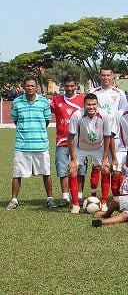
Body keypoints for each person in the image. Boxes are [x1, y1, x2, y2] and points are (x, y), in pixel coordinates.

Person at [7, 76, 57, 210]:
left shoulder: (44, 102)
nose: (30, 88)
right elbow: (16, 121)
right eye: (27, 86)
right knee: (17, 173)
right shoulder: (17, 102)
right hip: (22, 145)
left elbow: (46, 121)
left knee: (46, 172)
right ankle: (14, 200)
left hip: (41, 144)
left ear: (36, 87)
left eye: (32, 86)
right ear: (23, 87)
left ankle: (50, 199)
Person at [67, 93, 113, 213]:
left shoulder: (104, 115)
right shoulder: (76, 115)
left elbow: (108, 137)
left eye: (93, 104)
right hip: (80, 147)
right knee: (72, 170)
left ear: (97, 104)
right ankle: (76, 204)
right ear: (84, 105)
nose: (91, 107)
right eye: (88, 105)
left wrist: (105, 158)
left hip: (99, 147)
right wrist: (72, 159)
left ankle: (103, 201)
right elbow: (70, 137)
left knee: (106, 169)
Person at [90, 67, 128, 209]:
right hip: (99, 136)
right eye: (103, 75)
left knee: (115, 168)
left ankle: (116, 199)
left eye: (108, 75)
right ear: (100, 76)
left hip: (116, 135)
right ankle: (94, 197)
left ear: (113, 76)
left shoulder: (119, 93)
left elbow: (123, 114)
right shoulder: (93, 92)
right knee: (99, 166)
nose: (106, 78)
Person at [49, 75, 86, 207]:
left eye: (72, 86)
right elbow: (45, 111)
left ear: (76, 85)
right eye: (67, 86)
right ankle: (65, 198)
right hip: (62, 141)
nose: (70, 88)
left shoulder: (83, 99)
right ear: (63, 86)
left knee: (80, 170)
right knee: (63, 170)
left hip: (80, 142)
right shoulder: (56, 100)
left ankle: (80, 196)